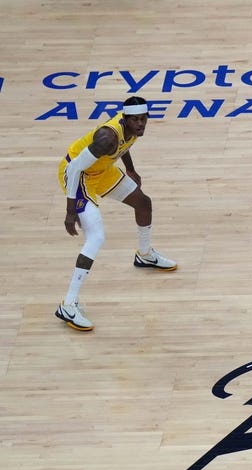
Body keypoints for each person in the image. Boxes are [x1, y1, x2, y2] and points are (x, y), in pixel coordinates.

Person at [54, 96, 177, 331]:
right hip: (77, 177)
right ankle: (68, 305)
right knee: (96, 237)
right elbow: (75, 167)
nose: (141, 124)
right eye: (136, 120)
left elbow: (125, 145)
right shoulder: (106, 138)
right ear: (126, 119)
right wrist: (70, 212)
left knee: (143, 203)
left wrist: (130, 169)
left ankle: (145, 254)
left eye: (144, 119)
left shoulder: (131, 129)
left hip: (101, 171)